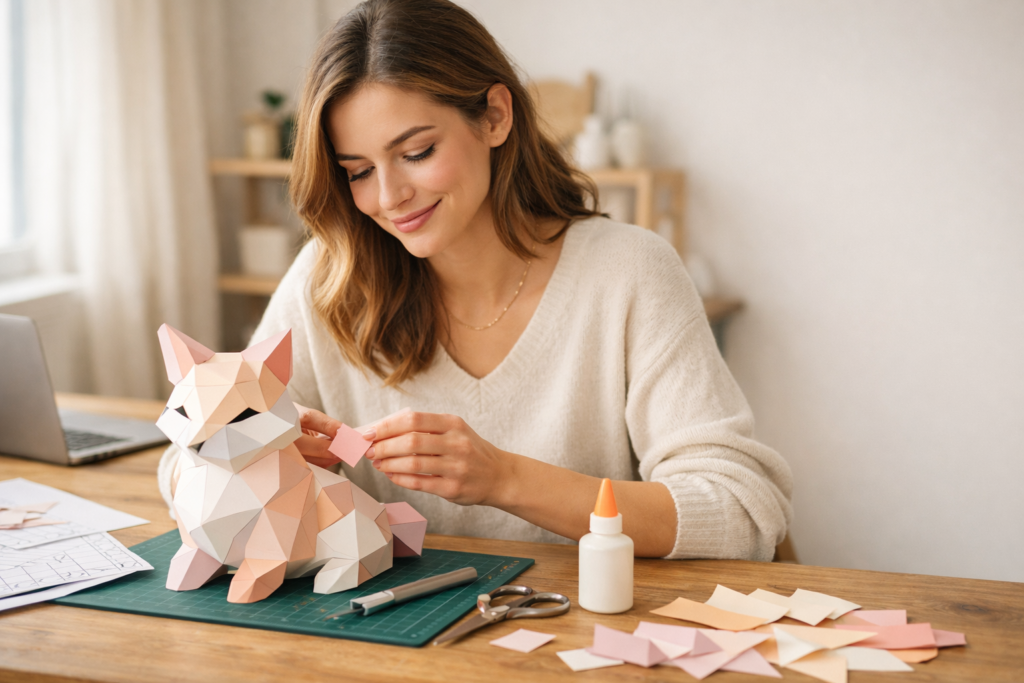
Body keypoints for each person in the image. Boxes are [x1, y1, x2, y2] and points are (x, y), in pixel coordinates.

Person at [160, 0, 792, 560]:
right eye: (356, 171)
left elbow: (738, 510)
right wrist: (253, 457)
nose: (389, 197)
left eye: (416, 153)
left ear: (494, 116)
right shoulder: (328, 281)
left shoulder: (628, 273)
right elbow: (182, 461)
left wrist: (505, 479)